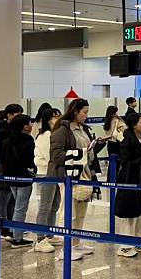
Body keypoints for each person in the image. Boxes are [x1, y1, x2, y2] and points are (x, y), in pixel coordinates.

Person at [49, 98, 99, 261]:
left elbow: (87, 151)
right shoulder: (62, 130)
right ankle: (66, 247)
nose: (86, 115)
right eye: (84, 112)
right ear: (75, 111)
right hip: (67, 176)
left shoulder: (83, 128)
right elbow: (56, 156)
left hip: (83, 174)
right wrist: (80, 154)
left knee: (81, 211)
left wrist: (91, 151)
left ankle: (76, 243)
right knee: (68, 211)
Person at [115, 112, 141, 257]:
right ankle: (125, 245)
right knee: (129, 214)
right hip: (130, 180)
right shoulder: (126, 140)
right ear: (134, 124)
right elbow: (125, 162)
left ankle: (140, 240)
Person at [1, 114, 36, 249]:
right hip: (23, 177)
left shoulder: (7, 140)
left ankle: (14, 232)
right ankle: (17, 238)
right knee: (21, 208)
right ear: (25, 126)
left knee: (17, 206)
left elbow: (2, 158)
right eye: (29, 123)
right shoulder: (27, 140)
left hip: (10, 177)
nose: (31, 125)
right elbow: (29, 160)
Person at [34, 108, 64, 253]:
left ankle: (49, 233)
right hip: (46, 174)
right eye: (54, 116)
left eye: (59, 116)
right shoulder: (45, 135)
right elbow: (50, 156)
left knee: (54, 205)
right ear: (47, 119)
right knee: (45, 207)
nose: (57, 118)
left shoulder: (54, 134)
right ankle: (40, 239)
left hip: (55, 174)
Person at [0, 104, 24, 240]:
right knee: (4, 199)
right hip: (6, 167)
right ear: (9, 115)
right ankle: (3, 228)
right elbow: (1, 150)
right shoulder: (3, 129)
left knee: (12, 199)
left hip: (14, 168)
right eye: (17, 114)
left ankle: (12, 227)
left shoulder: (14, 129)